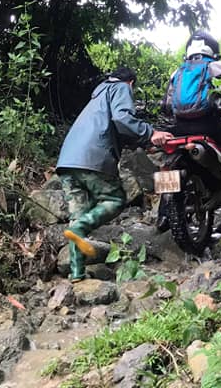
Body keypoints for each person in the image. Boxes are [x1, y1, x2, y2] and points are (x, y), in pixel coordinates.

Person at [56, 67, 173, 282]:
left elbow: (115, 128)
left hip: (67, 161)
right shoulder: (120, 87)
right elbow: (122, 119)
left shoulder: (97, 97)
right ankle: (81, 228)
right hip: (92, 158)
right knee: (116, 199)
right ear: (130, 83)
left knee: (77, 216)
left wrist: (143, 141)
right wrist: (152, 132)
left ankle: (77, 273)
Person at [156, 30, 221, 232]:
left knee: (167, 164)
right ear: (212, 50)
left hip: (179, 128)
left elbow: (166, 106)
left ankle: (162, 215)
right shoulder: (215, 65)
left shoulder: (177, 73)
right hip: (211, 125)